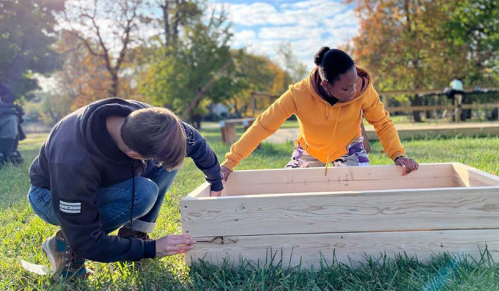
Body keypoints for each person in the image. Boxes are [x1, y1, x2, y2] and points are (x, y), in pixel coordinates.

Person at [28, 98, 223, 279]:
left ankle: (134, 233)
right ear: (133, 153)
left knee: (167, 163)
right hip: (49, 194)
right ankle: (64, 244)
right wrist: (152, 249)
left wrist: (216, 181)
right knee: (142, 194)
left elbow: (193, 140)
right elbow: (88, 242)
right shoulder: (73, 161)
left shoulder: (147, 119)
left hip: (97, 181)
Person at [220, 47, 419, 180]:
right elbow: (263, 126)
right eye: (347, 88)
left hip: (348, 148)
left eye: (355, 82)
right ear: (326, 85)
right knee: (289, 190)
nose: (354, 90)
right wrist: (230, 163)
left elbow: (382, 123)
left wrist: (398, 155)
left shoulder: (364, 90)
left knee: (362, 191)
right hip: (309, 150)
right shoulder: (297, 95)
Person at [0, 80, 24, 166]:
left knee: (11, 119)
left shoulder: (4, 88)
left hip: (6, 115)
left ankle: (7, 151)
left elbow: (10, 97)